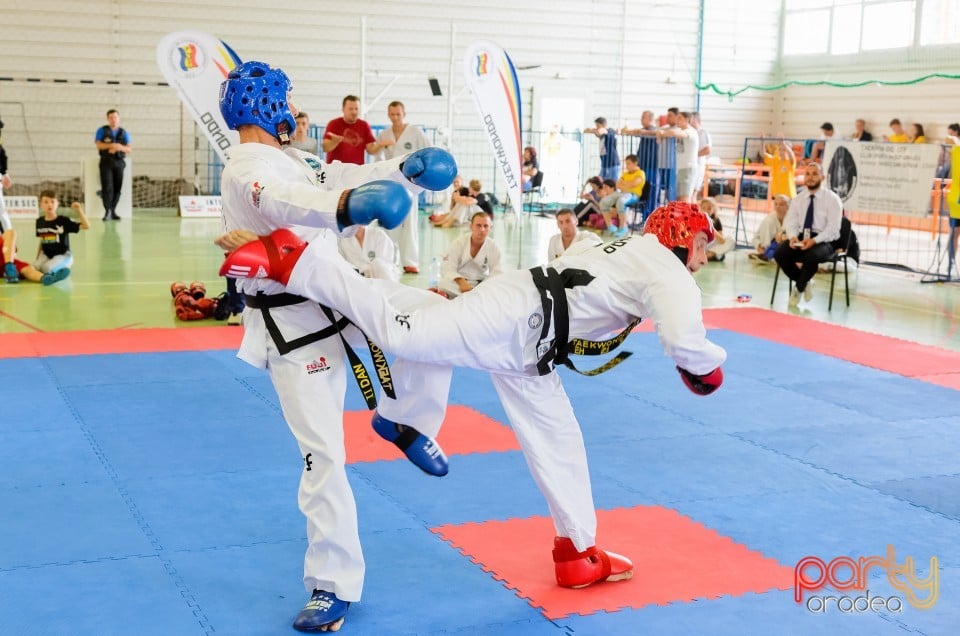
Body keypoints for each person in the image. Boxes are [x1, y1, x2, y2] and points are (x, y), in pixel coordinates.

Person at [218, 201, 727, 595]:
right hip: (514, 316)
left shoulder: (623, 246)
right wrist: (707, 369)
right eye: (702, 243)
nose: (705, 256)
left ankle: (578, 551)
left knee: (559, 439)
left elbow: (585, 270)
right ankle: (295, 260)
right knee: (408, 334)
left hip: (532, 346)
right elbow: (683, 342)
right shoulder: (669, 270)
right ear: (681, 236)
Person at [216, 60, 457, 633]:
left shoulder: (287, 159)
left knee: (437, 324)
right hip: (295, 330)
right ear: (265, 106)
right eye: (286, 101)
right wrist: (349, 209)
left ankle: (404, 419)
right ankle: (332, 585)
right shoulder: (247, 169)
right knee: (323, 457)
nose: (294, 111)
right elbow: (290, 202)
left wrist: (406, 171)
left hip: (345, 294)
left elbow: (333, 177)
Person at [772, 162, 842, 306]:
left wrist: (814, 241)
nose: (810, 177)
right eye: (808, 174)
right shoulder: (798, 199)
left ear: (822, 177)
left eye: (815, 174)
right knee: (780, 253)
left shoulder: (832, 199)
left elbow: (833, 228)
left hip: (825, 240)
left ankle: (798, 289)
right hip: (802, 236)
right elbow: (791, 221)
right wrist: (792, 237)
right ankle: (805, 281)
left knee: (812, 256)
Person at [376, 101, 429, 273]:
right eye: (392, 114)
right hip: (391, 183)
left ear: (404, 114)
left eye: (398, 114)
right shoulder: (384, 134)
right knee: (390, 222)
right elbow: (378, 158)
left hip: (411, 183)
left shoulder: (415, 132)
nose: (395, 117)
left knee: (410, 222)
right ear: (388, 114)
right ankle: (390, 259)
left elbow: (428, 152)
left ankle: (410, 261)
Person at [437, 211, 503, 297]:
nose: (482, 229)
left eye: (485, 226)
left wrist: (483, 286)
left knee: (496, 289)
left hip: (480, 283)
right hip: (458, 282)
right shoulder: (459, 242)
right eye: (478, 225)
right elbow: (448, 266)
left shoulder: (493, 247)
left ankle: (463, 296)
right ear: (471, 226)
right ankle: (472, 297)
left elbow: (497, 272)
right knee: (443, 284)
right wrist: (461, 281)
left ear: (490, 228)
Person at [33, 189, 90, 283]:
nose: (49, 205)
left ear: (57, 204)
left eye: (52, 202)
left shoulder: (63, 221)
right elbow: (41, 240)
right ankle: (50, 273)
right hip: (47, 255)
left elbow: (86, 226)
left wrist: (79, 210)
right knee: (34, 267)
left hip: (63, 255)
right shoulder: (39, 221)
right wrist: (37, 258)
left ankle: (59, 272)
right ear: (41, 204)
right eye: (46, 202)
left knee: (46, 268)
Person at [321, 95, 392, 165]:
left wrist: (380, 144)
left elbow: (371, 150)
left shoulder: (364, 125)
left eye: (356, 109)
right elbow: (325, 148)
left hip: (357, 171)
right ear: (343, 109)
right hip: (336, 171)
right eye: (351, 109)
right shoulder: (333, 124)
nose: (354, 112)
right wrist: (334, 142)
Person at [94, 109, 131, 221]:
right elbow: (99, 144)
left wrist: (118, 147)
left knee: (117, 188)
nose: (113, 119)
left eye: (115, 117)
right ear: (107, 119)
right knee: (107, 188)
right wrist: (111, 145)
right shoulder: (102, 130)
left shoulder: (124, 133)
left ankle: (113, 210)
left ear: (119, 119)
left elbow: (129, 148)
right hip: (106, 162)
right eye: (111, 117)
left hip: (119, 162)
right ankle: (107, 211)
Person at [657, 111, 699, 202]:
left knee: (685, 199)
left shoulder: (690, 131)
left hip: (688, 169)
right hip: (679, 169)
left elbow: (675, 133)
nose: (677, 120)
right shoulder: (679, 130)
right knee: (678, 198)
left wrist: (663, 134)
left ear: (687, 120)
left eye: (680, 118)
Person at [608, 154, 645, 238]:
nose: (626, 166)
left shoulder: (641, 173)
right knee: (607, 200)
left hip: (633, 196)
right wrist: (628, 185)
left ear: (635, 163)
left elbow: (634, 184)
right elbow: (617, 185)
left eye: (628, 164)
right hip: (623, 194)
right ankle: (612, 225)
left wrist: (624, 184)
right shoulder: (625, 174)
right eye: (626, 163)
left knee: (621, 201)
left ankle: (623, 227)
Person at [749, 194, 789, 263]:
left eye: (781, 205)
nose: (778, 207)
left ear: (787, 207)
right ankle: (765, 255)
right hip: (765, 245)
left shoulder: (791, 218)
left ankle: (765, 255)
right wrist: (761, 247)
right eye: (776, 204)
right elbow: (757, 239)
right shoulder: (769, 219)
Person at [584, 117, 620, 181]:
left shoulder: (609, 130)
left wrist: (593, 130)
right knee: (600, 182)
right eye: (596, 125)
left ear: (603, 125)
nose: (597, 127)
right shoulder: (603, 134)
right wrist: (592, 130)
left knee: (612, 183)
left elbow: (600, 131)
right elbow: (587, 131)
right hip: (605, 163)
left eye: (598, 125)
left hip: (612, 163)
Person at [761, 134, 797, 199]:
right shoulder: (775, 160)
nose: (781, 152)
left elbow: (791, 155)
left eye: (784, 150)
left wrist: (783, 143)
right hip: (777, 195)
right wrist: (762, 141)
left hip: (789, 196)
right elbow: (763, 154)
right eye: (780, 149)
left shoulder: (789, 162)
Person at [699, 197, 732, 262]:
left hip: (710, 247)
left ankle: (708, 255)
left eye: (709, 208)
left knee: (730, 240)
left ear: (713, 210)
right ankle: (713, 255)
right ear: (700, 208)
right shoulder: (696, 219)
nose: (706, 211)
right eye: (703, 208)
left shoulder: (716, 220)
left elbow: (722, 241)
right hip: (700, 246)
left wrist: (711, 228)